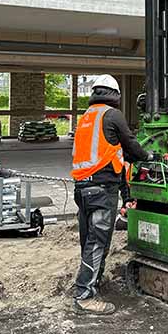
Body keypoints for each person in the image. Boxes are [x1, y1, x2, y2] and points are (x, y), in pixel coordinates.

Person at [70, 74, 148, 316]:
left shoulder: (86, 117)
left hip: (82, 189)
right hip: (102, 191)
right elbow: (131, 146)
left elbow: (112, 155)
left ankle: (92, 282)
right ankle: (85, 296)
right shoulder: (112, 115)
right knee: (97, 242)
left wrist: (126, 193)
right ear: (115, 95)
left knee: (89, 240)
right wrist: (149, 157)